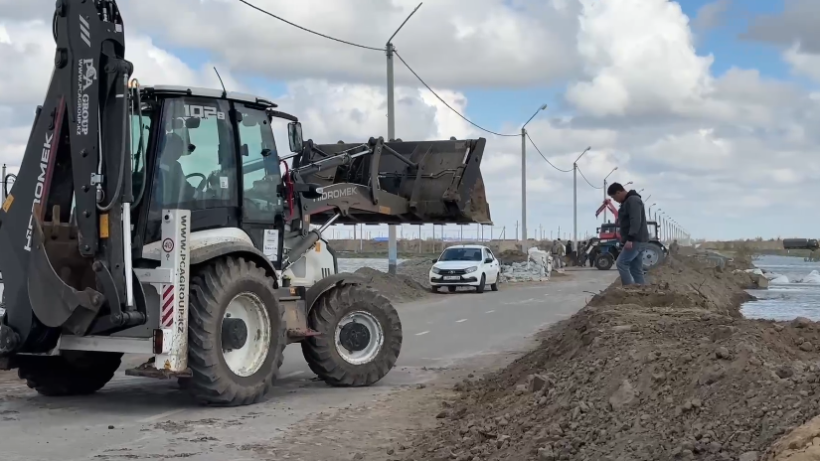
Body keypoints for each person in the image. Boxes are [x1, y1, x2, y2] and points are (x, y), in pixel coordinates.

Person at [607, 182, 649, 286]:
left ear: (618, 192)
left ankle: (628, 290)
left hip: (635, 240)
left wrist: (630, 238)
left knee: (621, 263)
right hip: (638, 240)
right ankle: (642, 291)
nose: (614, 200)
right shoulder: (629, 201)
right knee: (636, 269)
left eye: (614, 197)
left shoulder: (633, 200)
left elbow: (635, 220)